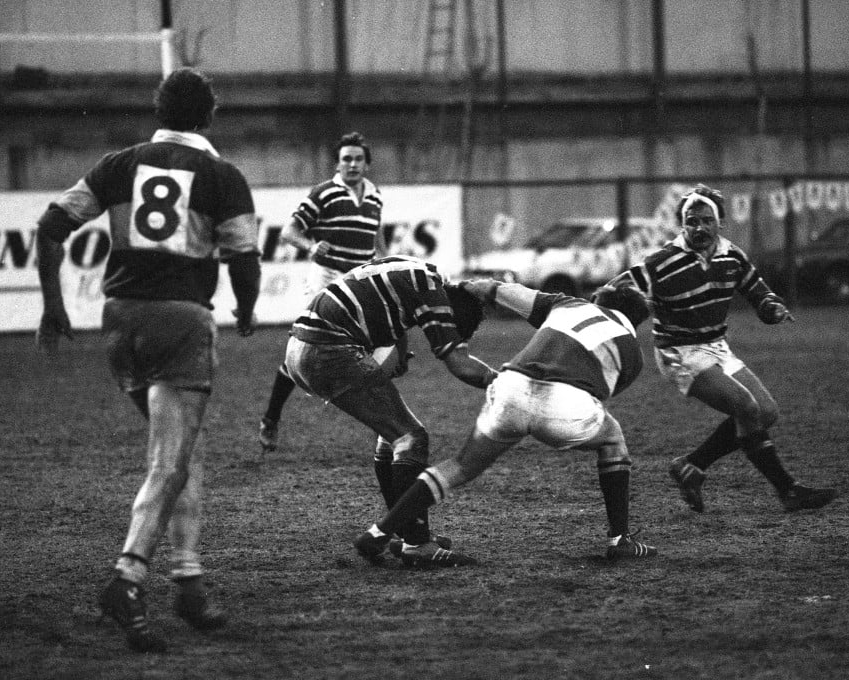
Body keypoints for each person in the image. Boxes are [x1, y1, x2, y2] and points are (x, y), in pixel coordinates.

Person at [35, 67, 261, 653]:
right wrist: (245, 309)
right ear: (208, 116)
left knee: (183, 450)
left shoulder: (119, 164)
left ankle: (188, 580)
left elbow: (51, 226)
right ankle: (128, 575)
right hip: (181, 322)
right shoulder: (220, 174)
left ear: (159, 113)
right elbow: (243, 256)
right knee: (169, 461)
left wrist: (53, 306)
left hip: (120, 321)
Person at [354, 279, 660, 566]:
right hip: (565, 405)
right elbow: (598, 395)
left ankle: (380, 532)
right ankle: (620, 539)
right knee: (612, 437)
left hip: (510, 387)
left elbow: (493, 288)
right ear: (636, 321)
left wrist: (462, 288)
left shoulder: (567, 304)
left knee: (460, 466)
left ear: (595, 299)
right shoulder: (633, 351)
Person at [606, 183, 835, 513]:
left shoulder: (732, 255)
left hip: (715, 346)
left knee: (766, 412)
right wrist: (604, 309)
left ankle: (692, 465)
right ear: (682, 225)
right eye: (691, 221)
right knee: (746, 405)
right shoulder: (662, 263)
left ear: (720, 223)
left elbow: (760, 294)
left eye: (706, 220)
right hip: (680, 352)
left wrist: (773, 309)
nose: (699, 227)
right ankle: (788, 490)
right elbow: (616, 289)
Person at [283, 254, 498, 566]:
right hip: (328, 348)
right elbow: (460, 365)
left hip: (299, 349)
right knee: (411, 437)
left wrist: (396, 349)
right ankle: (416, 543)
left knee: (391, 437)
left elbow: (387, 306)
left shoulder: (417, 272)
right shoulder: (431, 290)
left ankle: (401, 532)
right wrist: (503, 383)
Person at [258, 131, 396, 455]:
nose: (352, 164)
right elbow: (291, 232)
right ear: (338, 163)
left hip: (359, 280)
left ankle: (385, 428)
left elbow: (378, 241)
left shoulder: (375, 197)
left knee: (380, 349)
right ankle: (271, 418)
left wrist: (386, 264)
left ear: (367, 164)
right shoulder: (324, 193)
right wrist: (310, 245)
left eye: (358, 159)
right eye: (346, 158)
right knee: (308, 352)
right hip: (327, 279)